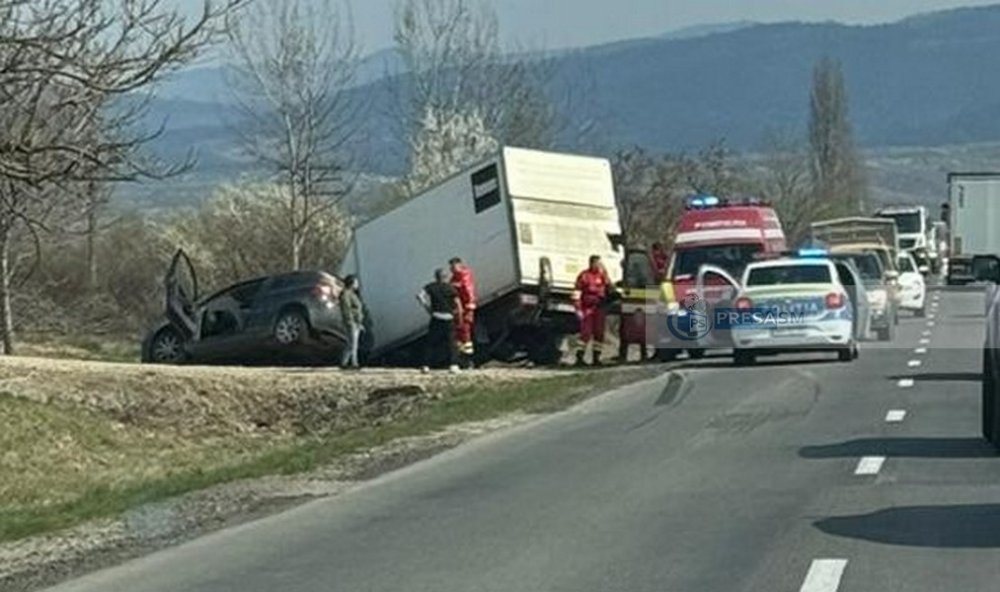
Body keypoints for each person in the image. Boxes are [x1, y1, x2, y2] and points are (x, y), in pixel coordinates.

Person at [417, 269, 461, 372]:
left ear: (436, 277)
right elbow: (458, 304)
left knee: (431, 341)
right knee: (451, 342)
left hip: (436, 316)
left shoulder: (431, 286)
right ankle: (453, 365)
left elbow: (419, 296)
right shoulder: (451, 288)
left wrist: (427, 308)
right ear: (445, 277)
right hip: (448, 317)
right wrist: (459, 316)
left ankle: (426, 365)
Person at [573, 255, 611, 366]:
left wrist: (606, 272)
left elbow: (610, 287)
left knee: (599, 333)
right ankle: (579, 357)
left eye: (600, 264)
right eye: (597, 263)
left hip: (599, 308)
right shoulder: (584, 276)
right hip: (587, 308)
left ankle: (596, 358)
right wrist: (578, 308)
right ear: (591, 263)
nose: (598, 266)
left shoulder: (602, 276)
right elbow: (577, 293)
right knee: (586, 333)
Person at [449, 257, 477, 367]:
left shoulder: (464, 275)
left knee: (465, 333)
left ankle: (468, 359)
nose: (451, 269)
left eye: (453, 266)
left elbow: (468, 289)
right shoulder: (454, 277)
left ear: (459, 265)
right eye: (451, 267)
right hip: (458, 310)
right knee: (459, 334)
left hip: (465, 309)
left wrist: (470, 306)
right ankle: (461, 357)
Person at [339, 275, 365, 370]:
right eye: (356, 282)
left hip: (356, 322)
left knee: (354, 343)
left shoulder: (353, 294)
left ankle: (353, 362)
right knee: (352, 343)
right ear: (351, 283)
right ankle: (346, 362)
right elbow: (346, 309)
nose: (357, 284)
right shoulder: (345, 294)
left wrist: (359, 322)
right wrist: (350, 321)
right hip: (351, 322)